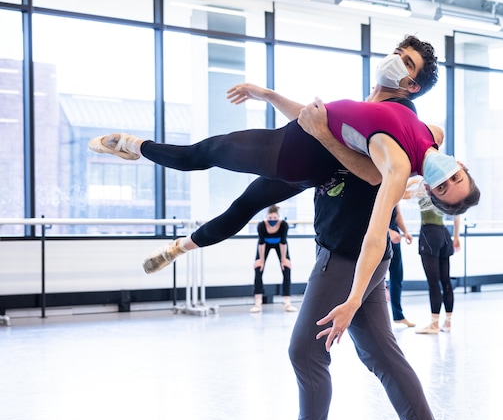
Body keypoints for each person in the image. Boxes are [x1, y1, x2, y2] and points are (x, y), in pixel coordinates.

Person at [88, 91, 480, 334]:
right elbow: (313, 114)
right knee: (241, 205)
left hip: (290, 158)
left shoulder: (397, 170)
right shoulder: (431, 132)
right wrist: (266, 94)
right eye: (455, 177)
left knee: (204, 156)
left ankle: (133, 145)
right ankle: (180, 245)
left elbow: (374, 234)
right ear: (461, 164)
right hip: (305, 161)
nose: (445, 177)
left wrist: (354, 298)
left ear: (430, 190)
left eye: (443, 187)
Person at [257, 164, 452, 420]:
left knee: (305, 352)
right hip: (359, 254)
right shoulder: (347, 139)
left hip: (346, 255)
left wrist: (444, 171)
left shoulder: (376, 140)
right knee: (383, 356)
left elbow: (422, 142)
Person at [407, 177, 461, 334]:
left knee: (433, 282)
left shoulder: (423, 190)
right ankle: (448, 323)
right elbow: (456, 214)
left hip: (429, 235)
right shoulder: (444, 192)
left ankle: (434, 324)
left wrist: (414, 180)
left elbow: (401, 194)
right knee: (445, 280)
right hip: (444, 235)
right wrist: (456, 236)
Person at [250, 205, 296, 313]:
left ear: (278, 217)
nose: (272, 220)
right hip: (264, 246)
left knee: (286, 268)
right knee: (258, 268)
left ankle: (287, 303)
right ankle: (258, 303)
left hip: (280, 245)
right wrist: (261, 260)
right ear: (266, 217)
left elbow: (283, 242)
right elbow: (261, 243)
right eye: (270, 218)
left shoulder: (283, 225)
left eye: (275, 218)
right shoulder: (261, 225)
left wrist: (284, 259)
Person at [388, 204, 414, 327]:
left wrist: (405, 232)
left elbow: (397, 214)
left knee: (396, 276)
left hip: (394, 237)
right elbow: (368, 216)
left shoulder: (393, 194)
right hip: (378, 235)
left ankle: (398, 315)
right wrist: (388, 232)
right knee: (376, 279)